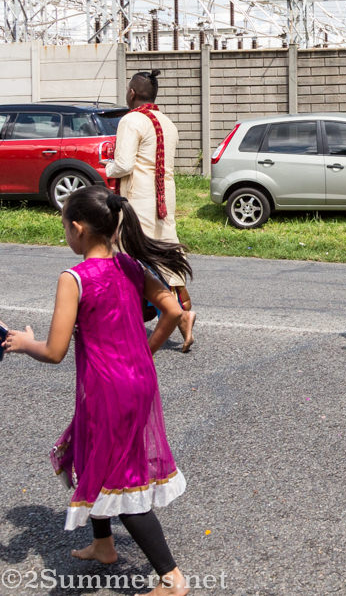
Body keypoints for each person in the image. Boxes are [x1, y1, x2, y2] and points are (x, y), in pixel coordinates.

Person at [1, 185, 191, 595]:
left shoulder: (74, 278)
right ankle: (104, 545)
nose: (65, 235)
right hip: (135, 381)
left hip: (107, 389)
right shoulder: (129, 266)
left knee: (118, 480)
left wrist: (22, 342)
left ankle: (171, 578)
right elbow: (174, 310)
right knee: (90, 451)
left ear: (79, 228)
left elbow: (54, 351)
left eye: (65, 228)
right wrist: (145, 351)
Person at [105, 69, 196, 353]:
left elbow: (123, 165)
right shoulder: (168, 123)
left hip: (140, 200)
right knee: (168, 255)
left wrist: (105, 168)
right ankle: (184, 315)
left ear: (132, 93)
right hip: (165, 199)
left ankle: (123, 323)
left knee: (132, 259)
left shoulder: (131, 120)